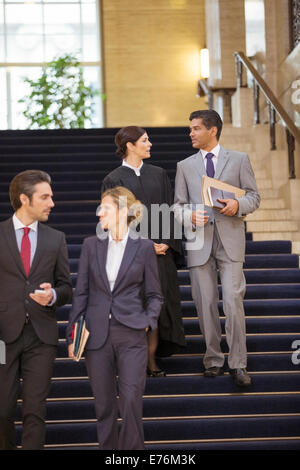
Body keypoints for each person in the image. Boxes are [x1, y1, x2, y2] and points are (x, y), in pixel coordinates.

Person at [66, 186, 163, 450]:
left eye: (105, 208)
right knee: (104, 405)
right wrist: (73, 332)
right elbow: (81, 293)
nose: (99, 213)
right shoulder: (90, 245)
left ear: (121, 211)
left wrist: (147, 321)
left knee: (131, 400)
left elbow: (155, 295)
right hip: (96, 335)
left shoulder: (143, 248)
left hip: (131, 332)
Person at [174, 110, 260, 387]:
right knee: (205, 304)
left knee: (233, 302)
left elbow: (254, 196)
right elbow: (177, 205)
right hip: (199, 242)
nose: (191, 133)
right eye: (190, 129)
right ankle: (213, 359)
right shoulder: (184, 166)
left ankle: (238, 364)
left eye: (196, 129)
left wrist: (239, 205)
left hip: (231, 240)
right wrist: (189, 216)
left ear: (212, 130)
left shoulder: (239, 159)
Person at [101, 126, 186, 376]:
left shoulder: (158, 174)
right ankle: (133, 361)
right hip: (131, 255)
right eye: (145, 140)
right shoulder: (113, 179)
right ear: (130, 145)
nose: (150, 144)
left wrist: (168, 242)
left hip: (160, 254)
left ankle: (151, 361)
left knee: (155, 307)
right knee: (135, 308)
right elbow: (112, 219)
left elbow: (170, 212)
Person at [0, 170, 73, 450]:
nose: (51, 203)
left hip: (41, 337)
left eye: (51, 197)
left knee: (35, 410)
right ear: (23, 199)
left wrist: (53, 294)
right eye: (45, 197)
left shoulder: (56, 239)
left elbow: (66, 286)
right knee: (2, 410)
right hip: (2, 338)